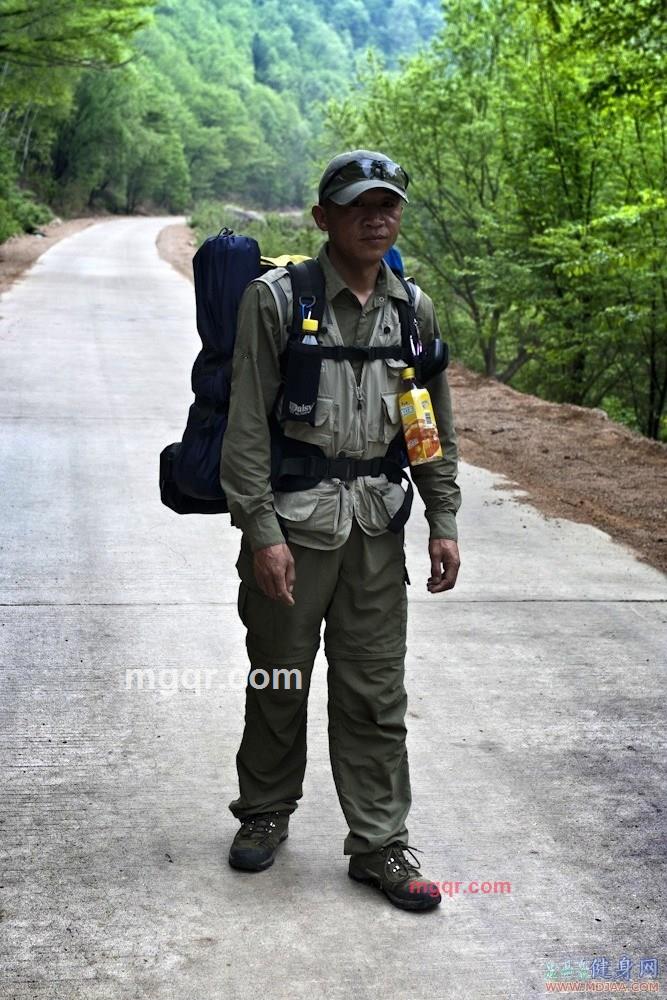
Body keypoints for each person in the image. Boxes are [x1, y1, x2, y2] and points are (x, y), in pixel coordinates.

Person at [220, 149, 461, 912]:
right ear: (323, 217)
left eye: (386, 204)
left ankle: (380, 844)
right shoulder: (275, 300)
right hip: (292, 527)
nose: (375, 217)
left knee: (374, 692)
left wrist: (442, 518)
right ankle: (264, 810)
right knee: (279, 677)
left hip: (376, 533)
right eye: (358, 205)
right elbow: (246, 428)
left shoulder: (412, 310)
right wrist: (260, 532)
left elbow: (428, 429)